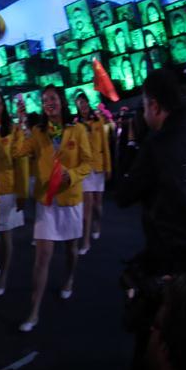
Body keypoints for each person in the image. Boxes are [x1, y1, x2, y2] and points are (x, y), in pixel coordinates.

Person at [116, 69, 186, 370]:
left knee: (155, 354)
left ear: (152, 105)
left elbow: (124, 194)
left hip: (171, 268)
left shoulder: (157, 145)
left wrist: (132, 141)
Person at [13, 85, 92, 332]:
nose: (50, 103)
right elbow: (17, 152)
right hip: (46, 202)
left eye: (53, 98)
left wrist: (74, 174)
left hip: (70, 200)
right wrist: (21, 121)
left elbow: (88, 162)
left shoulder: (77, 129)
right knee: (42, 257)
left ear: (61, 101)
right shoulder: (38, 133)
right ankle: (34, 311)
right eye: (45, 100)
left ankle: (69, 278)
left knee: (71, 250)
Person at [0, 91, 27, 295]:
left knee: (5, 238)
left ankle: (4, 275)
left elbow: (20, 159)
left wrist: (22, 192)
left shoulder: (12, 130)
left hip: (8, 190)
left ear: (3, 106)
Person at [75, 92, 111, 255]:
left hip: (98, 167)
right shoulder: (76, 125)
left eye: (83, 103)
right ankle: (86, 241)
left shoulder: (98, 120)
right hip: (85, 169)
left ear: (88, 103)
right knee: (86, 208)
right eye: (79, 104)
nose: (82, 106)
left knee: (97, 205)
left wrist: (108, 167)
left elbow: (105, 145)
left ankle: (97, 223)